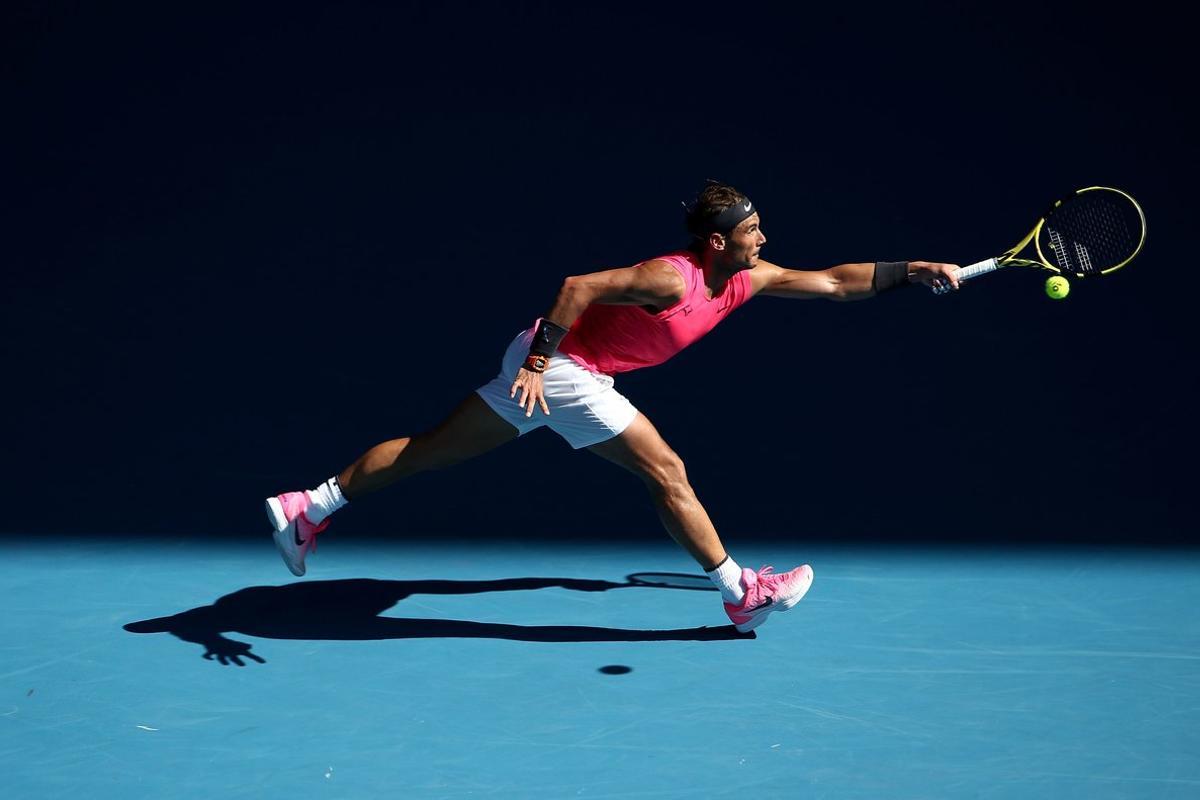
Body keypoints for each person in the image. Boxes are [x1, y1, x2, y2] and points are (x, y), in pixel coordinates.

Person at [264, 181, 961, 633]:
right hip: (563, 368)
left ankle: (309, 508)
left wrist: (913, 271)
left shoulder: (749, 278)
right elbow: (576, 286)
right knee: (667, 470)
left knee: (431, 450)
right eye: (753, 231)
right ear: (718, 240)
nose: (764, 239)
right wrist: (541, 364)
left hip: (547, 370)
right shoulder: (669, 278)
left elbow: (837, 284)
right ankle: (740, 591)